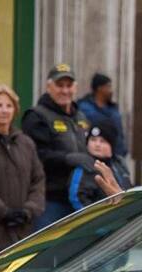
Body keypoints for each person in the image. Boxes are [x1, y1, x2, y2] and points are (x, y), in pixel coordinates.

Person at [0, 85, 45, 264]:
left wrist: (28, 210)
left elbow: (38, 181)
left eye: (9, 106)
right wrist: (4, 212)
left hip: (20, 235)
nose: (4, 111)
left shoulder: (26, 143)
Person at [21, 63, 90, 228]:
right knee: (47, 251)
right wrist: (68, 159)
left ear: (76, 87)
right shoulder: (36, 116)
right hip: (49, 200)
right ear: (48, 86)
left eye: (69, 85)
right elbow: (36, 156)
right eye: (59, 85)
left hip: (79, 198)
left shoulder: (81, 117)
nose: (65, 91)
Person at [67, 120, 132, 210]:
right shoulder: (85, 165)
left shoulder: (119, 164)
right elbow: (77, 198)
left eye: (102, 141)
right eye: (93, 140)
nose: (97, 145)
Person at [77, 73, 127, 157]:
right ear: (99, 88)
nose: (111, 91)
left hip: (116, 155)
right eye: (108, 87)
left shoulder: (113, 109)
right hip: (93, 156)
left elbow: (119, 134)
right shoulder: (84, 108)